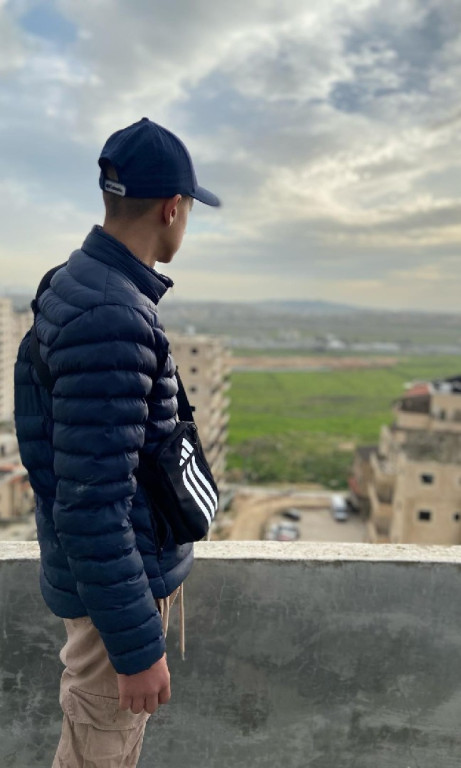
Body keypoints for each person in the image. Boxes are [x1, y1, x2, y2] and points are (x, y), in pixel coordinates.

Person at [14, 117, 220, 767]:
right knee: (98, 755)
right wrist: (135, 648)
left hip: (113, 578)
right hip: (114, 595)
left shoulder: (84, 285)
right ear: (172, 208)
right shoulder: (110, 314)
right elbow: (91, 502)